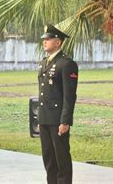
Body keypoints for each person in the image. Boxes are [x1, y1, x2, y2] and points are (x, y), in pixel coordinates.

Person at [38, 24, 78, 184]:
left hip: (58, 119)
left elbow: (69, 96)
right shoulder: (43, 63)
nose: (44, 42)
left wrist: (65, 121)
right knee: (48, 157)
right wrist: (40, 119)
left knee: (61, 157)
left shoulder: (67, 64)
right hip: (45, 118)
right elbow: (42, 93)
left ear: (58, 42)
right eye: (44, 39)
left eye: (48, 39)